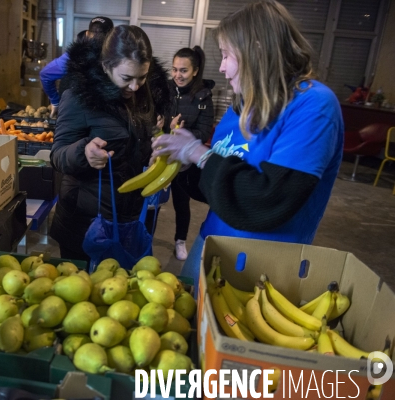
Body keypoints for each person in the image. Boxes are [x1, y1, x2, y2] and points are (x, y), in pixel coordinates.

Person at [151, 0, 344, 285]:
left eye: (228, 55)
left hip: (262, 266)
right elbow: (219, 188)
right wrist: (184, 165)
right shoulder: (240, 108)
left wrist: (199, 154)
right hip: (213, 243)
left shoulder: (313, 106)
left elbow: (268, 201)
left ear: (257, 51)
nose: (223, 68)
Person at [49, 25, 170, 263]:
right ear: (106, 66)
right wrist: (84, 152)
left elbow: (136, 145)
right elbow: (57, 155)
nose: (135, 86)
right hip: (84, 224)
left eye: (142, 77)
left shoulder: (145, 96)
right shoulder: (78, 97)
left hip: (129, 220)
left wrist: (154, 153)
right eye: (126, 78)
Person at [165, 46, 215, 261]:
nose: (178, 75)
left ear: (195, 71)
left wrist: (180, 132)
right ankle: (144, 237)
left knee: (181, 204)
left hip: (185, 162)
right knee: (151, 203)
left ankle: (180, 240)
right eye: (175, 69)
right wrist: (164, 125)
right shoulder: (163, 89)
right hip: (161, 155)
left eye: (183, 71)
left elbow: (204, 131)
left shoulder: (203, 97)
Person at [40, 16, 114, 119]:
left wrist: (55, 102)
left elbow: (45, 74)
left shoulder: (71, 56)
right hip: (100, 116)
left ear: (88, 34)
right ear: (111, 37)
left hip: (72, 114)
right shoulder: (115, 58)